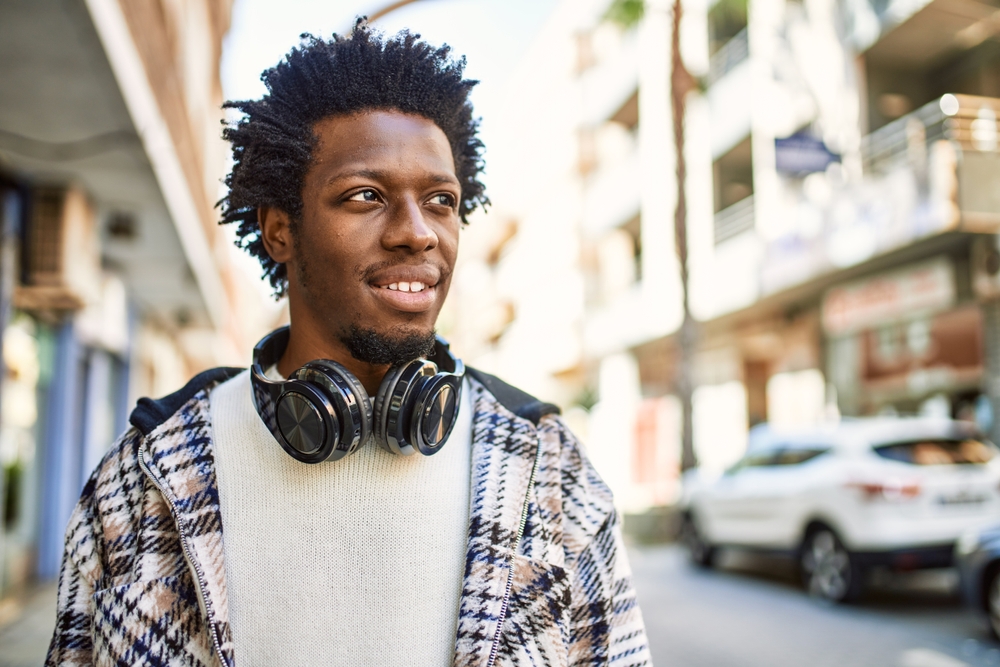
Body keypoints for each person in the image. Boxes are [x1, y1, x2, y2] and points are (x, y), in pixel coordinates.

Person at [46, 22, 650, 667]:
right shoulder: (144, 477)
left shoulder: (550, 470)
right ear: (280, 231)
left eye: (441, 200)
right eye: (366, 195)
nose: (418, 234)